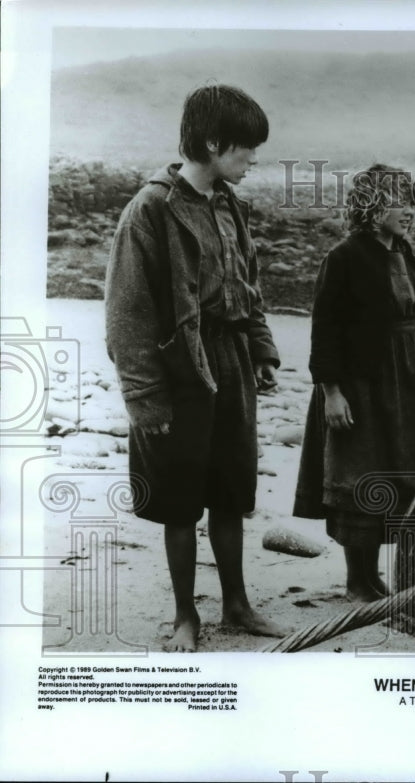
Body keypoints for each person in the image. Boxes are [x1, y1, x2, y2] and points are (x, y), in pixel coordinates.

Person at [105, 84, 288, 651]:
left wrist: (261, 351)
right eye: (245, 149)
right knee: (181, 497)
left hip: (229, 362)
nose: (253, 160)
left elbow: (247, 288)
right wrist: (145, 400)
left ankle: (236, 604)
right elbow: (127, 313)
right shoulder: (150, 210)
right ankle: (187, 615)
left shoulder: (232, 207)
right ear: (213, 143)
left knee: (231, 489)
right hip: (178, 368)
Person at [294, 165, 415, 602]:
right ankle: (358, 580)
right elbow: (325, 328)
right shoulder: (344, 256)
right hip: (360, 384)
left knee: (407, 473)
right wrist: (332, 392)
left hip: (405, 382)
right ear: (372, 206)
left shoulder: (405, 252)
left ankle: (379, 577)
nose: (412, 212)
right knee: (361, 474)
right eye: (402, 203)